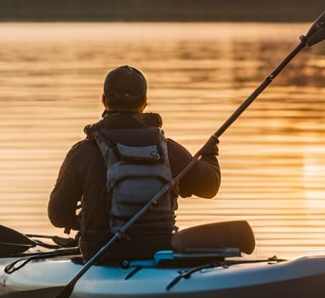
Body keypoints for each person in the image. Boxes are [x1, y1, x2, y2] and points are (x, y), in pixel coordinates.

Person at [48, 65, 221, 264]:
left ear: (104, 100)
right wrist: (210, 155)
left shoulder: (83, 152)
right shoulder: (168, 149)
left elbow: (58, 216)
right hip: (159, 250)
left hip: (102, 254)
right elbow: (210, 187)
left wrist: (85, 220)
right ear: (145, 103)